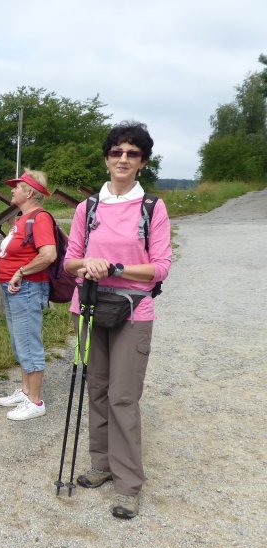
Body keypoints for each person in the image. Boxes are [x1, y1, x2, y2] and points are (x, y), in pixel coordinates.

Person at [63, 121, 171, 519]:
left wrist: (116, 267)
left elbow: (161, 267)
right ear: (106, 159)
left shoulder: (152, 208)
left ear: (143, 162)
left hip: (133, 311)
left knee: (123, 396)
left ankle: (128, 484)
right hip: (90, 307)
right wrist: (87, 264)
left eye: (132, 153)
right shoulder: (87, 208)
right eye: (116, 152)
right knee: (97, 389)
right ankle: (102, 463)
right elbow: (69, 261)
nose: (123, 159)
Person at [0, 170, 56, 421]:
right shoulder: (22, 218)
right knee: (19, 342)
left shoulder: (40, 218)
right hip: (15, 290)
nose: (12, 190)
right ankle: (26, 392)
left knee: (28, 343)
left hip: (27, 289)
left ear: (30, 192)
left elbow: (48, 255)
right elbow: (19, 253)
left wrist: (21, 272)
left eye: (17, 187)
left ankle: (35, 401)